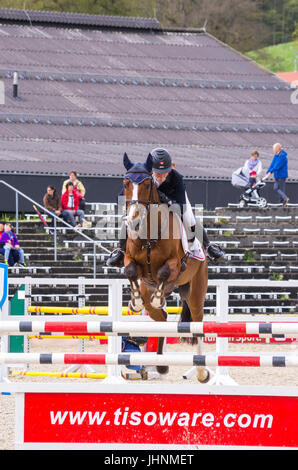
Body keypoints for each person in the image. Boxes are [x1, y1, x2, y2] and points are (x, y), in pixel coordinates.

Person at [107, 148, 225, 267]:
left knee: (189, 217)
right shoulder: (142, 178)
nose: (161, 176)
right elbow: (121, 198)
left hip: (174, 203)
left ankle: (208, 246)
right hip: (149, 206)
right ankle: (120, 250)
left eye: (165, 172)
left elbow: (181, 206)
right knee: (130, 217)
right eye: (158, 173)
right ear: (151, 170)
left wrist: (168, 201)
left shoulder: (176, 179)